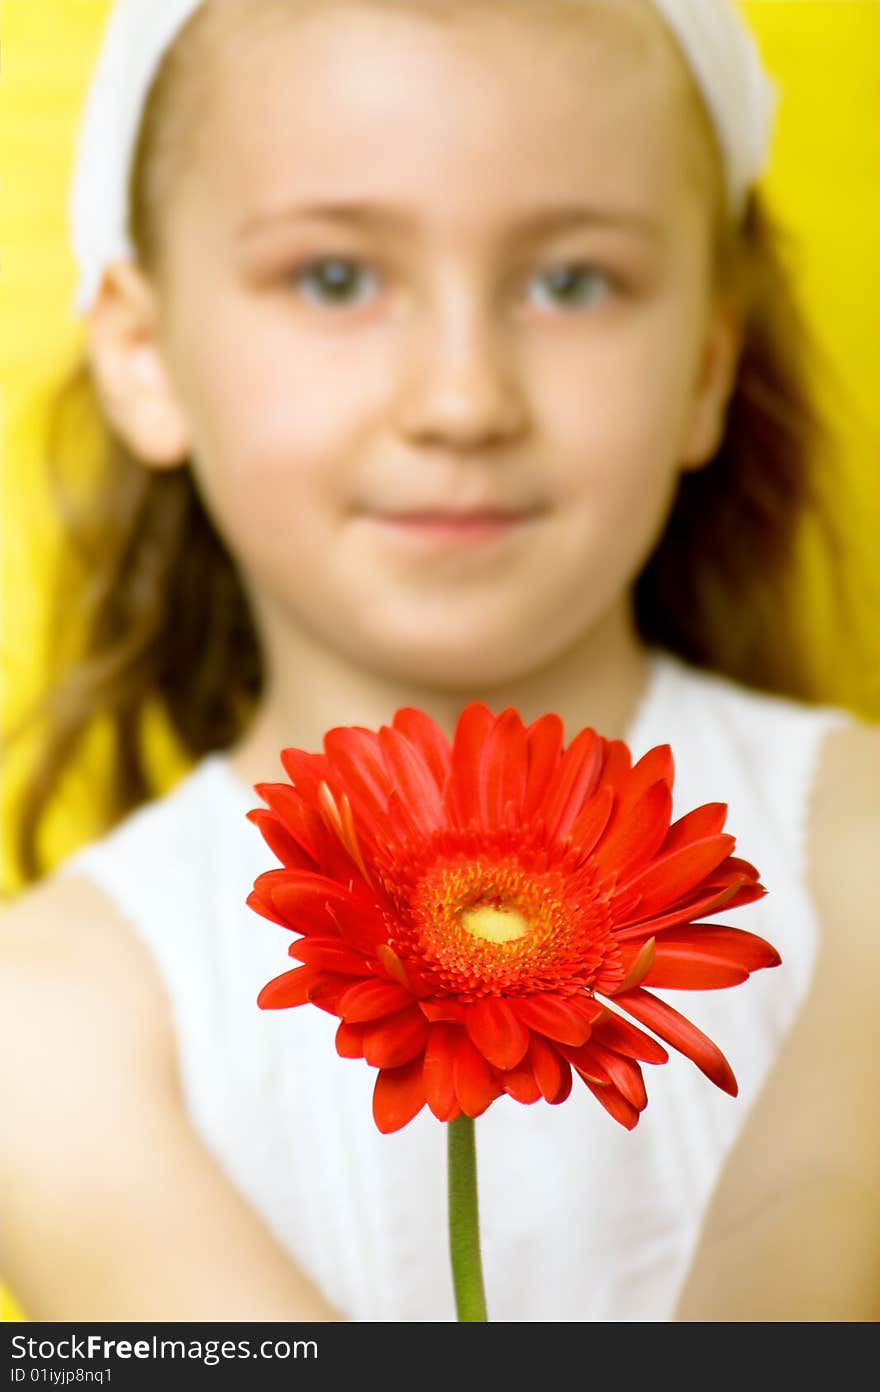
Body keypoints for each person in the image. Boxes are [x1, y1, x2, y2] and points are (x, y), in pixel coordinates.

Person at [2, 0, 878, 1323]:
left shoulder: (853, 850)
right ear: (143, 356)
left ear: (709, 363)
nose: (463, 401)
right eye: (336, 278)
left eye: (571, 280)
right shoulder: (53, 1021)